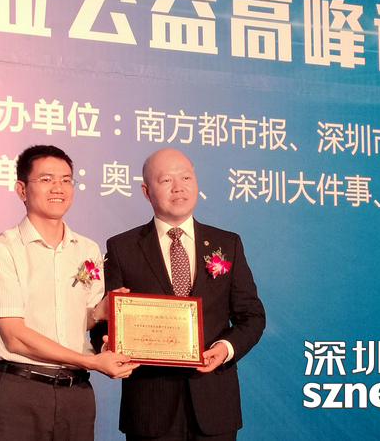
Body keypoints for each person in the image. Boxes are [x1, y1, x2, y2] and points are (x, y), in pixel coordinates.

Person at [93, 148, 265, 441]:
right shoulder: (122, 248)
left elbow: (252, 316)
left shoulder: (227, 243)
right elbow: (104, 319)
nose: (179, 187)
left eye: (186, 177)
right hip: (149, 406)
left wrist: (224, 349)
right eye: (166, 180)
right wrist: (106, 347)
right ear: (146, 191)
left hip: (215, 405)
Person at [0, 144, 137, 441]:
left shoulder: (87, 249)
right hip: (20, 393)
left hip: (77, 395)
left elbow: (79, 319)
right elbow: (15, 336)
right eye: (46, 179)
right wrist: (91, 361)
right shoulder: (2, 250)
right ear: (22, 189)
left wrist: (100, 312)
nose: (58, 188)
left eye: (65, 180)